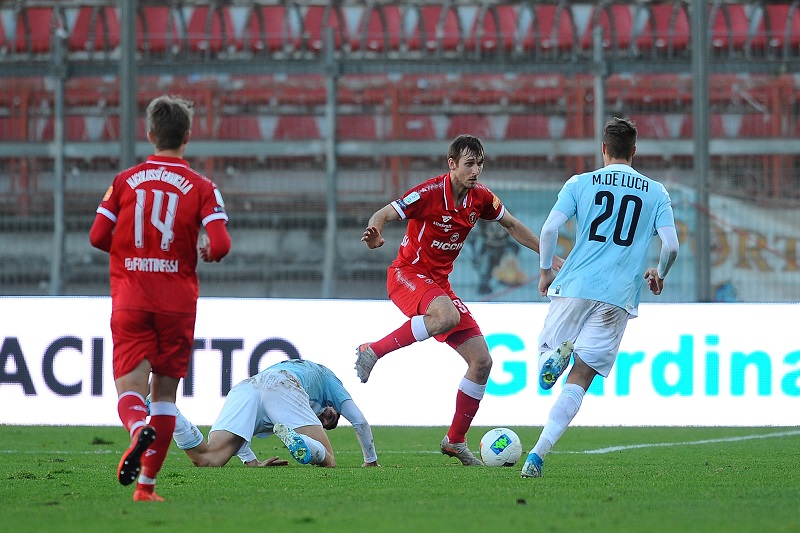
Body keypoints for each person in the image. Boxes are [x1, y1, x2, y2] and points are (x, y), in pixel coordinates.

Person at [355, 134, 562, 466]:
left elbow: (511, 225)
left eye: (480, 163)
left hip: (439, 287)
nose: (476, 170)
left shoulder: (480, 198)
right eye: (469, 164)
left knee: (482, 363)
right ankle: (373, 351)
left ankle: (455, 440)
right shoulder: (429, 193)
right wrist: (375, 232)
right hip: (406, 274)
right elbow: (383, 213)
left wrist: (549, 258)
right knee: (447, 316)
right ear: (451, 165)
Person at [89, 95, 231, 501]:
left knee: (130, 389)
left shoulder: (124, 181)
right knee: (165, 396)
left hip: (132, 296)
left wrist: (132, 253)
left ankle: (137, 431)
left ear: (150, 135)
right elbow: (220, 245)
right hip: (177, 304)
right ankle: (147, 487)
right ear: (187, 137)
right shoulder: (204, 187)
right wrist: (205, 250)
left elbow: (98, 236)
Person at [520, 117, 679, 478]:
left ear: (603, 148)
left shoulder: (580, 183)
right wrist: (659, 273)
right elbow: (670, 244)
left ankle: (551, 357)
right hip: (618, 297)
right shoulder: (656, 192)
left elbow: (549, 229)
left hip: (575, 285)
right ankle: (537, 455)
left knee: (548, 355)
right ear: (634, 151)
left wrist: (546, 271)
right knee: (581, 378)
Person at [168, 359, 379, 469]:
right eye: (330, 417)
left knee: (207, 459)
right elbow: (359, 421)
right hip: (282, 384)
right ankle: (304, 443)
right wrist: (371, 460)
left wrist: (252, 462)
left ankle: (168, 410)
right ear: (332, 405)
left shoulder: (298, 374)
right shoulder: (328, 378)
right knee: (329, 459)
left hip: (247, 386)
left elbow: (251, 417)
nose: (322, 420)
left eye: (324, 424)